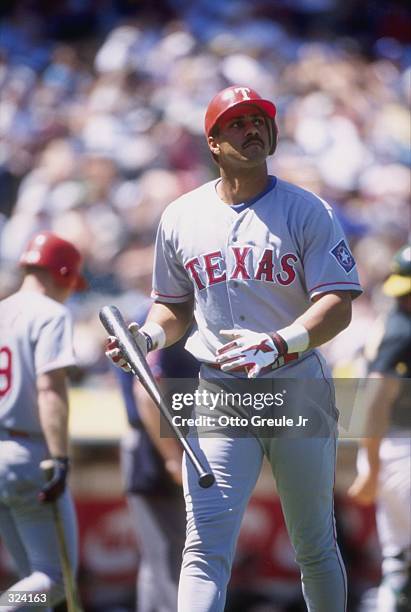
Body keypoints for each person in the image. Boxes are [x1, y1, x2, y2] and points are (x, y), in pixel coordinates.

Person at [106, 85, 363, 612]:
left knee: (313, 544)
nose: (253, 130)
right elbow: (172, 308)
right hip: (221, 392)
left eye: (259, 121)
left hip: (295, 385)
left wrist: (279, 342)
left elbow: (339, 303)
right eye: (238, 123)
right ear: (214, 142)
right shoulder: (180, 216)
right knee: (203, 548)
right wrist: (146, 337)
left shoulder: (306, 208)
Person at [0, 231, 86, 611]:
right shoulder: (51, 312)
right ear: (63, 274)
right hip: (27, 452)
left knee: (32, 584)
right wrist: (60, 458)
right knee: (53, 580)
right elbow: (50, 389)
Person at [112, 302, 199, 612]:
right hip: (156, 444)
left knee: (161, 558)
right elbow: (145, 391)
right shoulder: (159, 318)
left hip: (161, 442)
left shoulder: (175, 316)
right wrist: (173, 457)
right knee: (170, 555)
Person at [348, 244, 411, 612]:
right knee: (399, 562)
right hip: (400, 449)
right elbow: (373, 398)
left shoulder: (394, 322)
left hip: (391, 449)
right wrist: (369, 464)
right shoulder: (401, 329)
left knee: (399, 561)